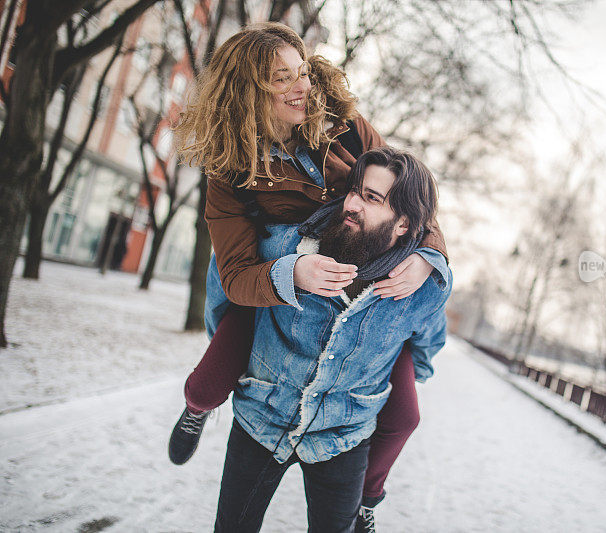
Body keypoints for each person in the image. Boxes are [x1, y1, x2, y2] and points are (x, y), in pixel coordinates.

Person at [170, 23, 449, 531]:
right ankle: (197, 407)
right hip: (280, 281)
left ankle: (368, 499)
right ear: (250, 93)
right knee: (217, 370)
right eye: (283, 79)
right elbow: (235, 273)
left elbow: (412, 198)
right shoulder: (231, 171)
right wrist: (291, 271)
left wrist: (429, 258)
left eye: (303, 71)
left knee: (403, 412)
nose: (304, 86)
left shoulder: (342, 123)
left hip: (366, 275)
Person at [214, 146, 451, 532]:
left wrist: (388, 380)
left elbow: (426, 345)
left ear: (405, 224)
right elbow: (227, 289)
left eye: (371, 198)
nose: (352, 203)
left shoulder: (425, 289)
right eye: (355, 189)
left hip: (344, 436)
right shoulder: (283, 246)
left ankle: (369, 502)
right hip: (261, 418)